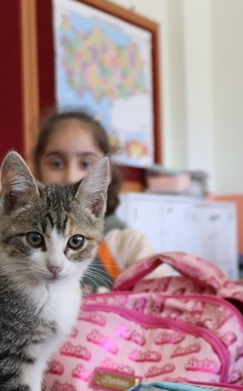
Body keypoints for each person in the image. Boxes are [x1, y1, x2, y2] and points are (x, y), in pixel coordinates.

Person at [32, 110, 157, 292]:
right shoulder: (24, 242)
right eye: (57, 164)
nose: (71, 177)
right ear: (37, 170)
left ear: (106, 175)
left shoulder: (129, 244)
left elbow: (161, 302)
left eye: (86, 164)